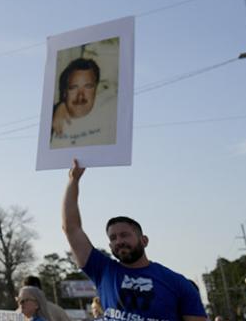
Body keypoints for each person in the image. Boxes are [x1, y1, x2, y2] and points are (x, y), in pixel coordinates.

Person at [61, 159, 206, 321]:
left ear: (144, 241)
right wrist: (73, 181)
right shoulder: (103, 271)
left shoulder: (177, 283)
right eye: (113, 238)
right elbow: (71, 228)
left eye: (124, 235)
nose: (119, 241)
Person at [51, 57, 115, 148]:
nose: (80, 96)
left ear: (96, 89)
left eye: (88, 86)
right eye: (73, 88)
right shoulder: (50, 124)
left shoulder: (109, 117)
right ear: (65, 93)